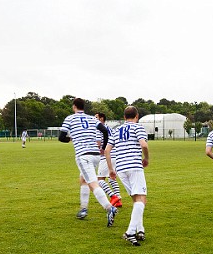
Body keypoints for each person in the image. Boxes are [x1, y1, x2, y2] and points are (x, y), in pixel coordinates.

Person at [59, 97, 118, 226]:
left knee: (93, 183)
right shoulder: (92, 118)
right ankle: (84, 209)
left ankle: (109, 208)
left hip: (83, 155)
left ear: (74, 106)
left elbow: (61, 137)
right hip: (95, 155)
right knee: (83, 180)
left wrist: (72, 139)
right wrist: (103, 147)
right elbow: (104, 130)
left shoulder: (70, 118)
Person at [105, 106, 149, 246]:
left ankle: (140, 230)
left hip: (121, 168)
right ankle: (130, 232)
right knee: (141, 200)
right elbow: (144, 145)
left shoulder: (116, 130)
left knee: (137, 200)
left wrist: (111, 169)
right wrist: (146, 158)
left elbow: (107, 150)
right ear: (137, 116)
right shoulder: (138, 127)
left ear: (124, 117)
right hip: (134, 166)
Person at [95, 112, 122, 208]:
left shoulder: (99, 129)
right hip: (115, 155)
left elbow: (98, 143)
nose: (95, 118)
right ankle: (118, 199)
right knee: (112, 178)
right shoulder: (110, 128)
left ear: (101, 119)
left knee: (100, 180)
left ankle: (113, 196)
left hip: (106, 156)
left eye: (96, 117)